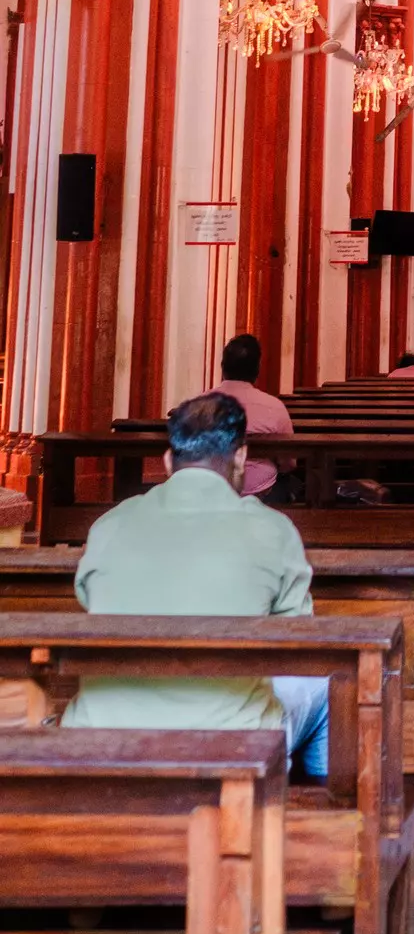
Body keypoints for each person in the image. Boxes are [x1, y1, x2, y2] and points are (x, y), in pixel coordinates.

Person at [63, 393, 328, 775]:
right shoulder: (271, 529)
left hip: (101, 730)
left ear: (168, 461)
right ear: (240, 457)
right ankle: (319, 807)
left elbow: (89, 599)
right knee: (324, 684)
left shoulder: (109, 525)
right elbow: (299, 640)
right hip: (229, 737)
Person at [211, 332, 293, 499]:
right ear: (257, 370)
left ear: (223, 366)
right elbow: (288, 462)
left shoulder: (199, 405)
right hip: (262, 491)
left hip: (212, 487)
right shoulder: (274, 407)